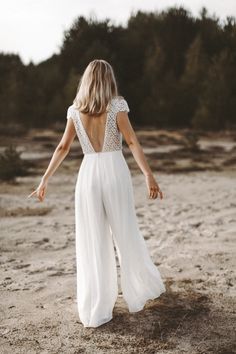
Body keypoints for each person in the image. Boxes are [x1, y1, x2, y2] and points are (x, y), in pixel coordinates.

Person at [28, 59, 166, 328]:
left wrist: (44, 179)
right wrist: (148, 174)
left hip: (88, 174)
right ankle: (138, 291)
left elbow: (62, 148)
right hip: (114, 171)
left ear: (86, 81)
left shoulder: (74, 111)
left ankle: (97, 305)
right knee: (125, 232)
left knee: (92, 239)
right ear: (108, 80)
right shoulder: (116, 105)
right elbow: (132, 141)